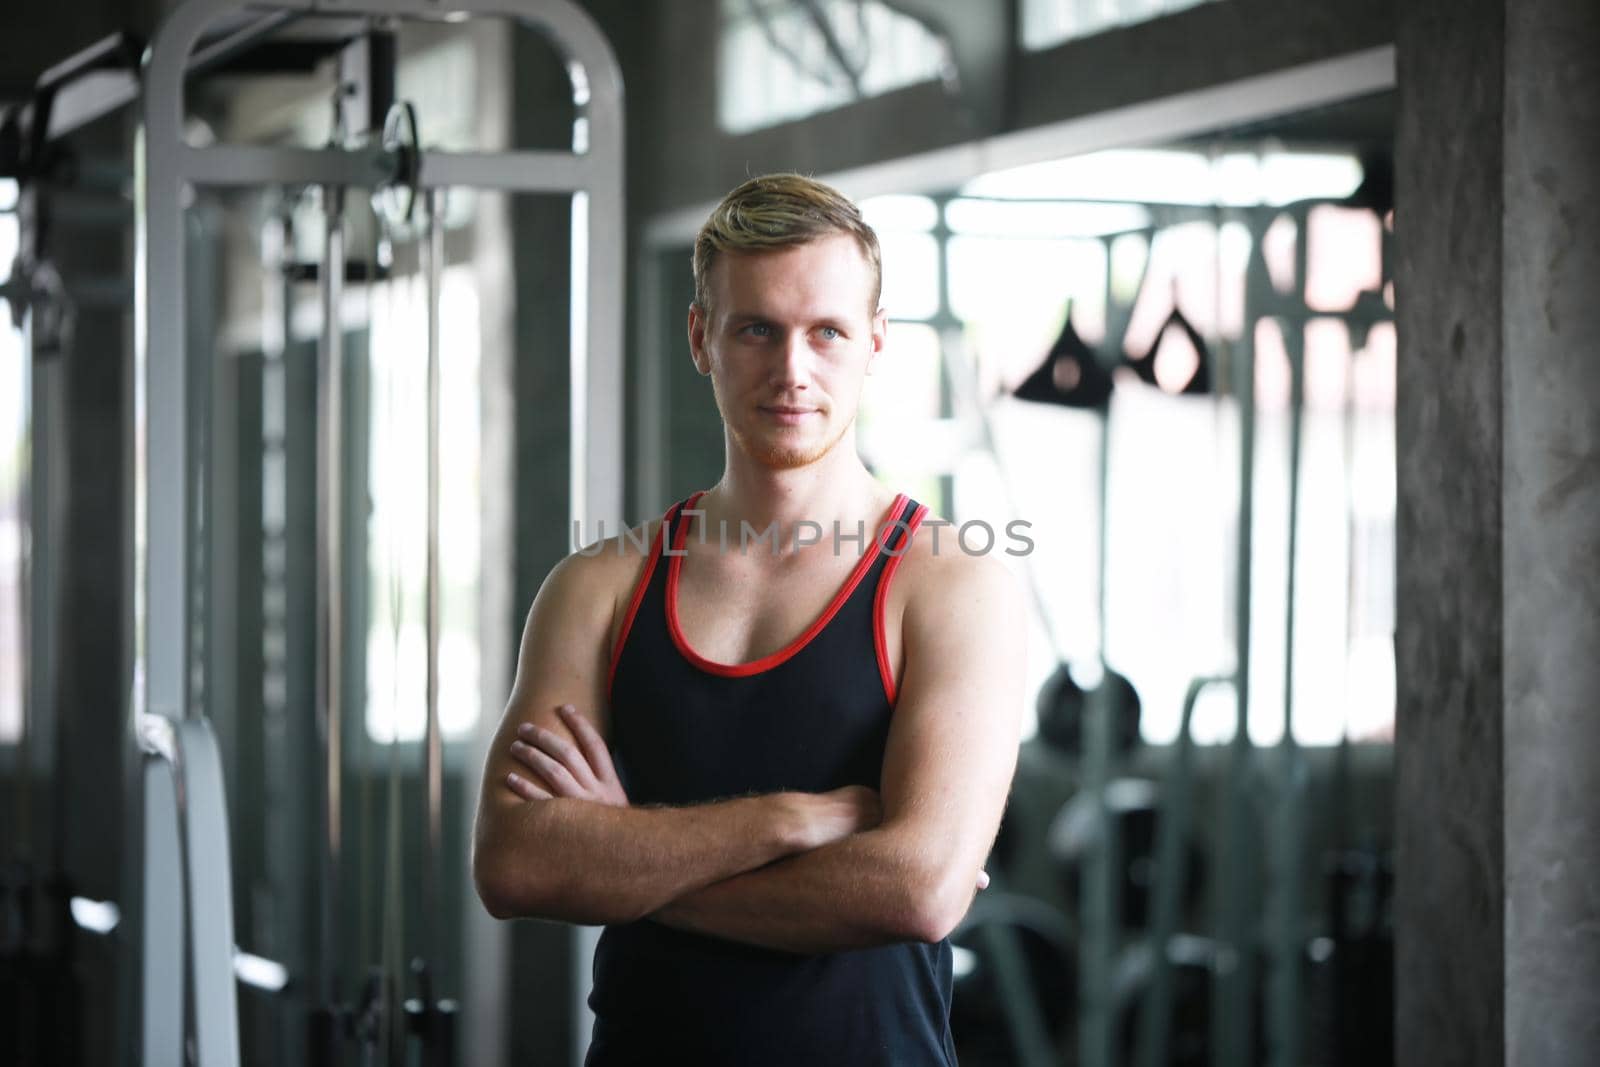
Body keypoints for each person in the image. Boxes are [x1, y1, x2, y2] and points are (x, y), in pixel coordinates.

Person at [471, 173, 1025, 1065]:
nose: (792, 369)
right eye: (757, 328)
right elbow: (517, 864)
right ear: (703, 338)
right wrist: (785, 821)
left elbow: (917, 889)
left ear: (876, 342)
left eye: (827, 333)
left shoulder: (951, 582)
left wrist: (627, 865)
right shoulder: (600, 585)